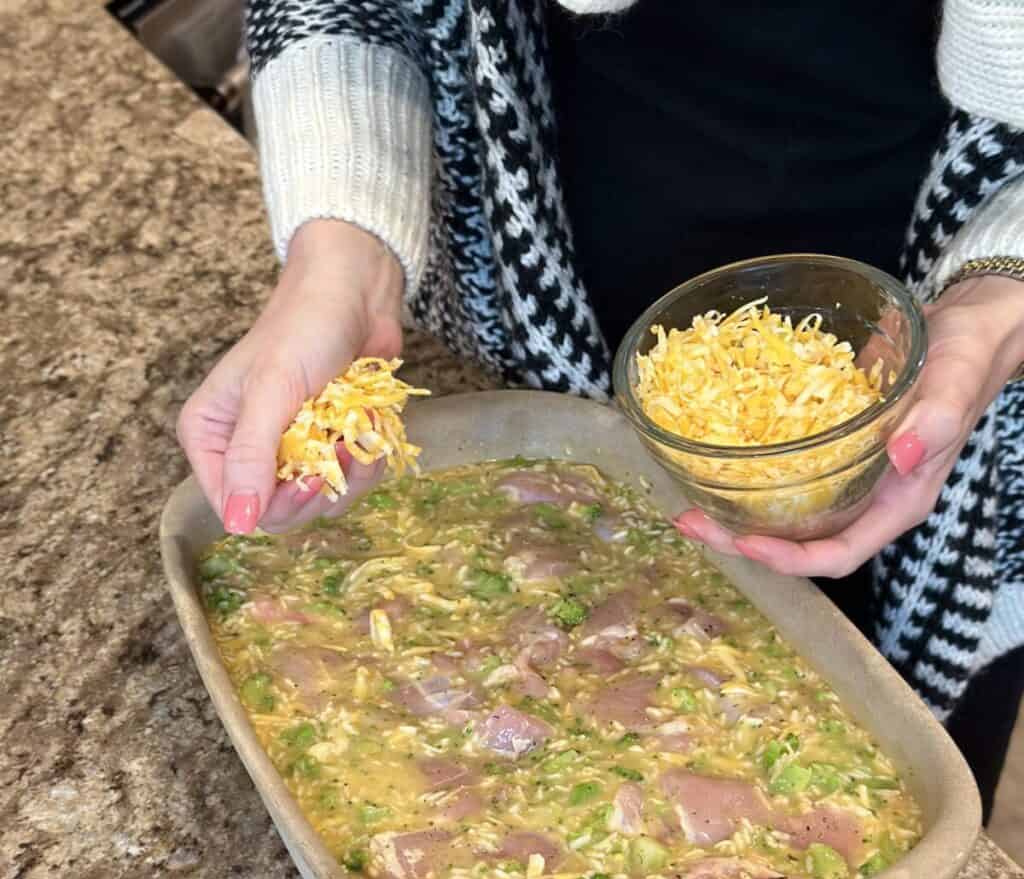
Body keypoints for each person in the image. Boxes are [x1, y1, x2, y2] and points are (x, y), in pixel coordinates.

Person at [177, 0, 1024, 821]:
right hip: (533, 289)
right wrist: (342, 261)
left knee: (910, 802)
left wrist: (1000, 301)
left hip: (946, 369)